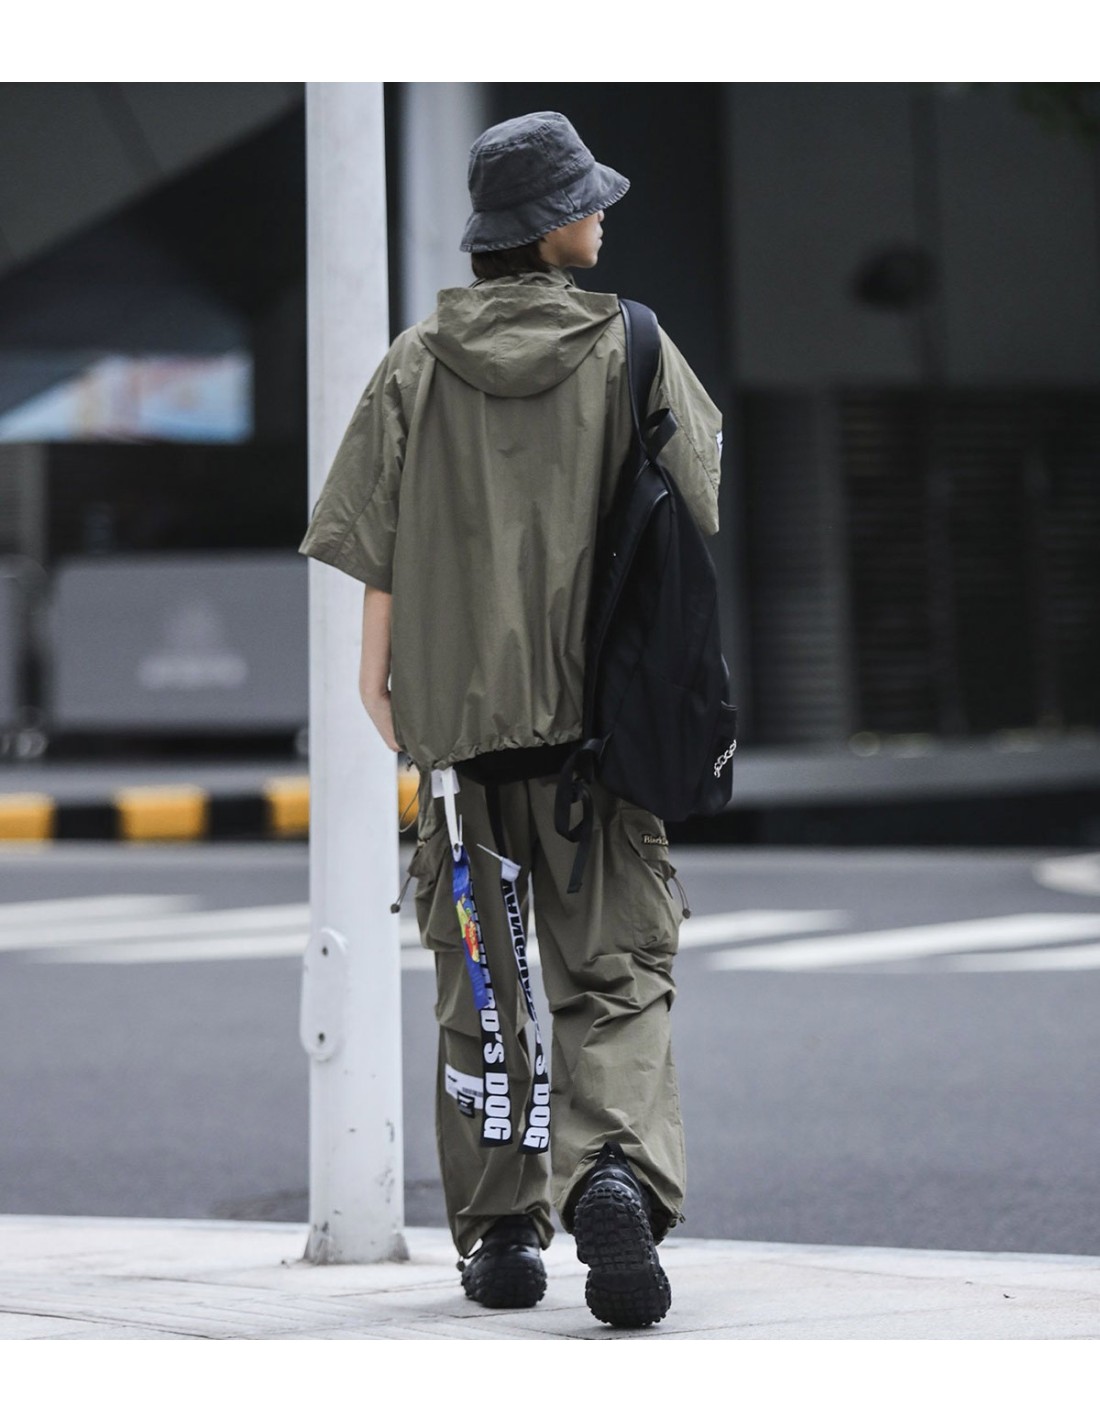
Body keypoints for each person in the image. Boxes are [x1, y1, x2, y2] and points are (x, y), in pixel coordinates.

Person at [299, 110, 722, 1328]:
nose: (601, 217)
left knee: (479, 992)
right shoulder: (633, 343)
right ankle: (612, 1172)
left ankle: (498, 1236)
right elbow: (694, 498)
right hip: (600, 740)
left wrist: (387, 693)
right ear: (546, 233)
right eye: (585, 203)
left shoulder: (415, 362)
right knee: (615, 974)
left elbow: (370, 548)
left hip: (458, 746)